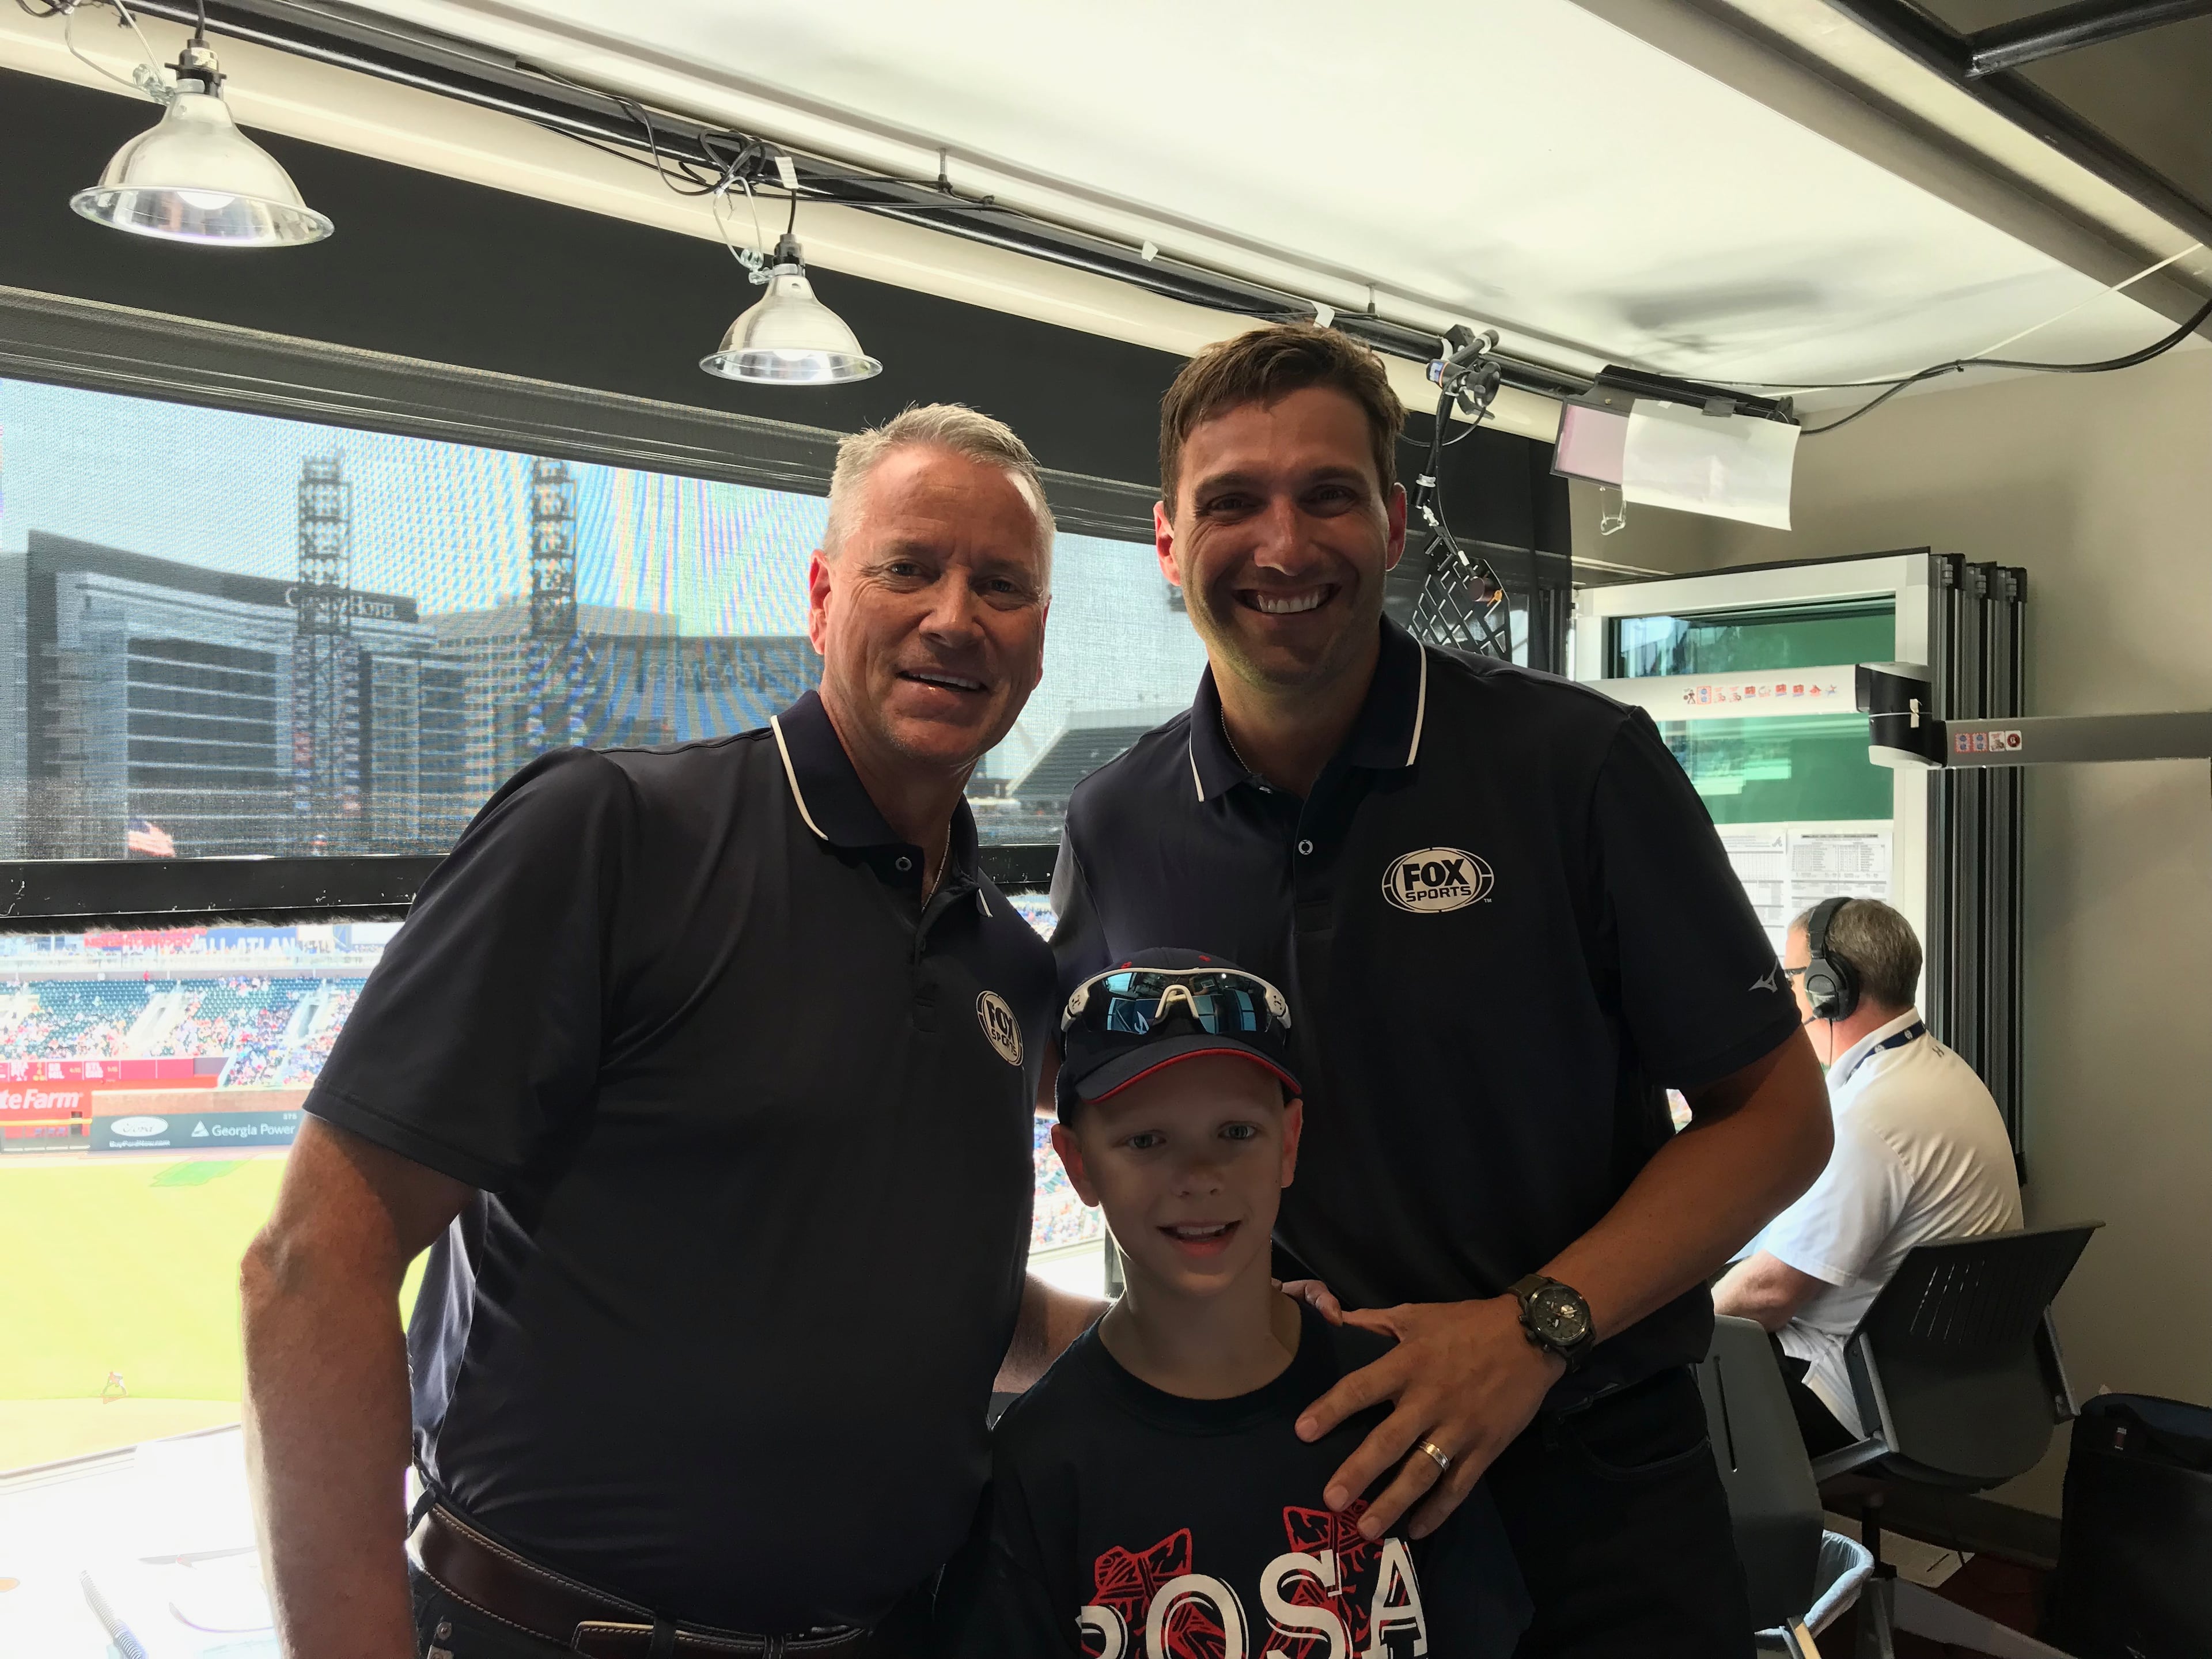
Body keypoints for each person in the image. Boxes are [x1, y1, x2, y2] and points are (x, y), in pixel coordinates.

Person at [240, 404, 1103, 1659]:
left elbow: (942, 1310)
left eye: (1003, 584)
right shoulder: (612, 836)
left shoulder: (1007, 971)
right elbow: (309, 1265)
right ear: (822, 595)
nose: (955, 616)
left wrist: (1207, 1336)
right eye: (907, 566)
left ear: (1035, 641)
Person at [1050, 324, 1835, 1654]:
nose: (1284, 544)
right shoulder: (1116, 825)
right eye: (1232, 500)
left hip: (1590, 1488)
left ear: (1395, 520)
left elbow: (1775, 1114)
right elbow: (1123, 1134)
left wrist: (1529, 1330)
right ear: (1168, 542)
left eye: (1328, 494)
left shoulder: (1573, 764)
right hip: (1307, 1500)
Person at [940, 950, 1529, 1658]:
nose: (1198, 1176)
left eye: (1236, 1133)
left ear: (1289, 1144)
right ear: (1078, 1164)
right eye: (1147, 1139)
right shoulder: (1036, 1466)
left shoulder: (1403, 1402)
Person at [1715, 897, 2024, 1455]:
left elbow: (1770, 1295)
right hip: (1937, 1378)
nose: (1786, 997)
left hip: (1856, 1390)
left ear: (1829, 990)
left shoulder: (1873, 1117)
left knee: (1654, 1377)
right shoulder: (1941, 1072)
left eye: (1791, 979)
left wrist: (1668, 1326)